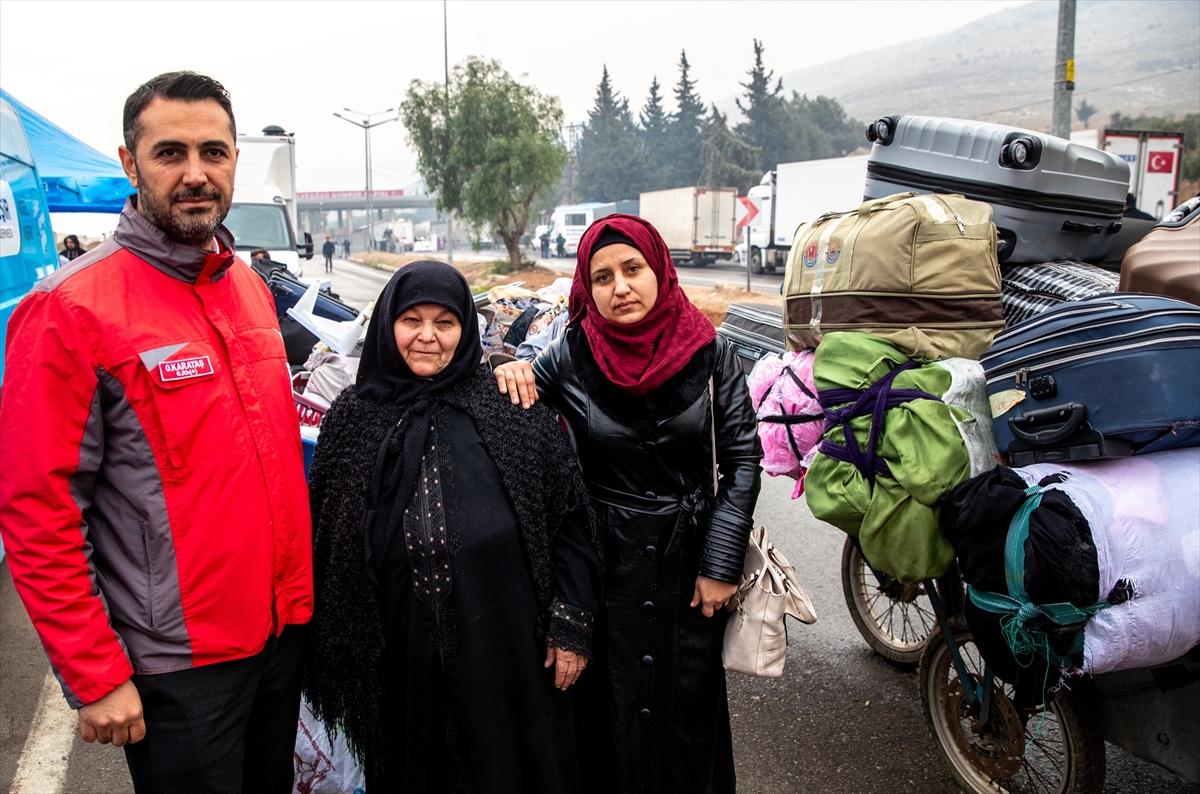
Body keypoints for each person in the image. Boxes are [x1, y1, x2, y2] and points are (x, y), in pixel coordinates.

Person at [0, 71, 312, 793]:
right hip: (180, 670)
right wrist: (94, 672)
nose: (196, 173)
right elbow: (37, 511)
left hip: (278, 638)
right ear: (128, 162)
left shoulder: (248, 287)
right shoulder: (71, 310)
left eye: (215, 152)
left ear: (236, 159)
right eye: (171, 152)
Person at [303, 260, 602, 792]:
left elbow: (570, 521)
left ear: (466, 329)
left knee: (509, 769)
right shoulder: (352, 415)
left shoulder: (512, 406)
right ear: (387, 325)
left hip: (507, 646)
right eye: (411, 320)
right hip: (396, 653)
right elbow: (322, 533)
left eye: (445, 322)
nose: (427, 336)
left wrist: (571, 624)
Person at [493, 214, 762, 793]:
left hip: (688, 568)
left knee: (685, 713)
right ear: (585, 290)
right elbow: (521, 395)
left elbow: (742, 460)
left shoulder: (713, 355)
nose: (620, 288)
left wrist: (720, 564)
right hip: (606, 565)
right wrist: (505, 366)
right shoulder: (570, 356)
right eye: (602, 276)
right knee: (608, 719)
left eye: (632, 269)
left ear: (659, 269)